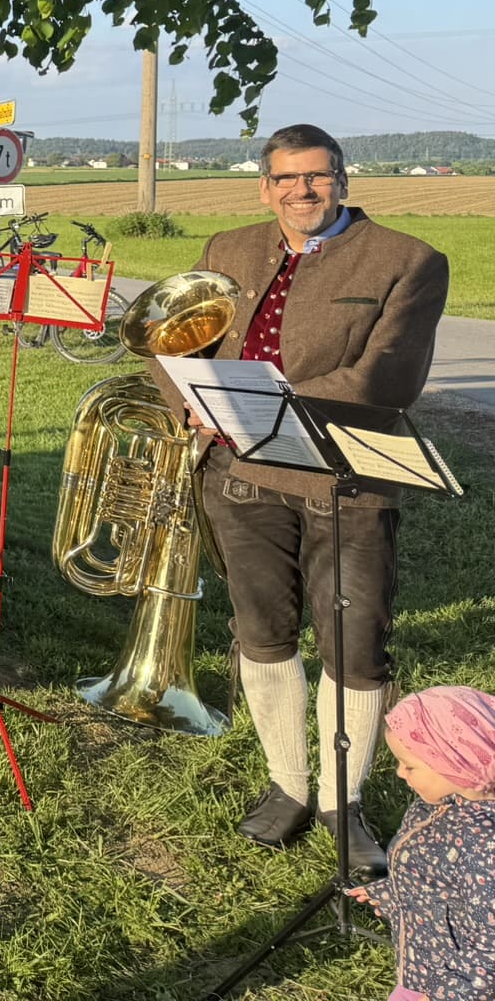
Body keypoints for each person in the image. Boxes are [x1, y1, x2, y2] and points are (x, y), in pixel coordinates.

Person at [153, 123, 447, 874]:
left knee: (356, 646)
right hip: (238, 478)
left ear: (342, 180)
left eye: (316, 176)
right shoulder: (227, 249)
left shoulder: (409, 260)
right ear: (264, 187)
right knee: (262, 631)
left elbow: (384, 380)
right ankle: (288, 785)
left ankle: (343, 802)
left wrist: (248, 408)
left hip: (344, 483)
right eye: (285, 178)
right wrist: (188, 398)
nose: (301, 190)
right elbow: (172, 338)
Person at [350, 686, 495, 1000]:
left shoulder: (485, 846)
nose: (400, 773)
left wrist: (446, 993)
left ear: (454, 763)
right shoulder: (435, 805)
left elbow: (491, 949)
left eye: (409, 765)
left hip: (455, 986)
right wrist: (393, 892)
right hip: (427, 969)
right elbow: (437, 877)